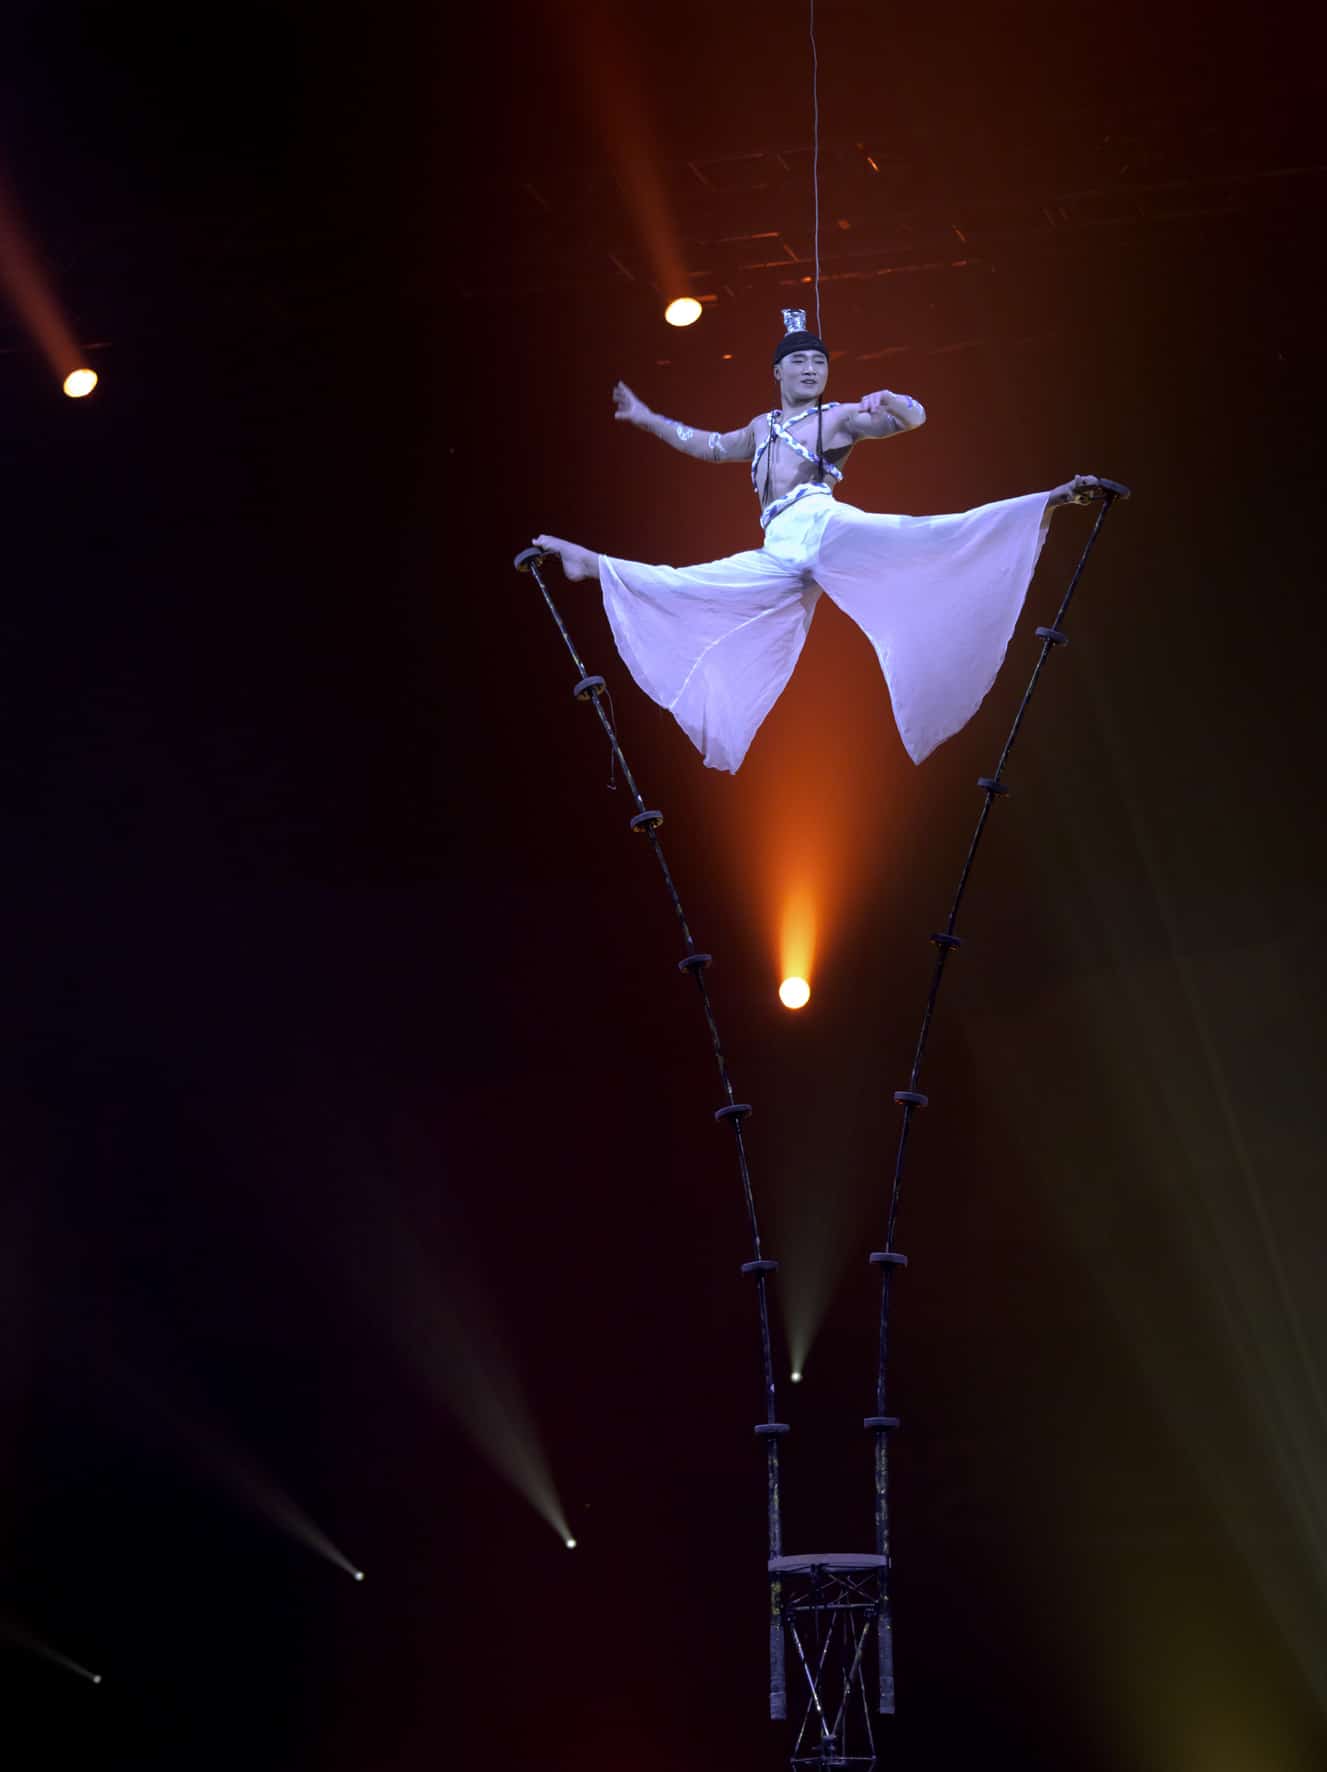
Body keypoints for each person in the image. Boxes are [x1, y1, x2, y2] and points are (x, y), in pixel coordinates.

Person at [533, 310, 1110, 773]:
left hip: (820, 524)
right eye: (799, 361)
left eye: (819, 362)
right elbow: (704, 444)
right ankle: (594, 565)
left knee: (918, 534)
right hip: (779, 549)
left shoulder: (834, 418)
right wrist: (645, 418)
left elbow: (912, 419)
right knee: (697, 585)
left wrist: (890, 399)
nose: (811, 369)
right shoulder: (760, 428)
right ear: (777, 372)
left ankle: (1051, 500)